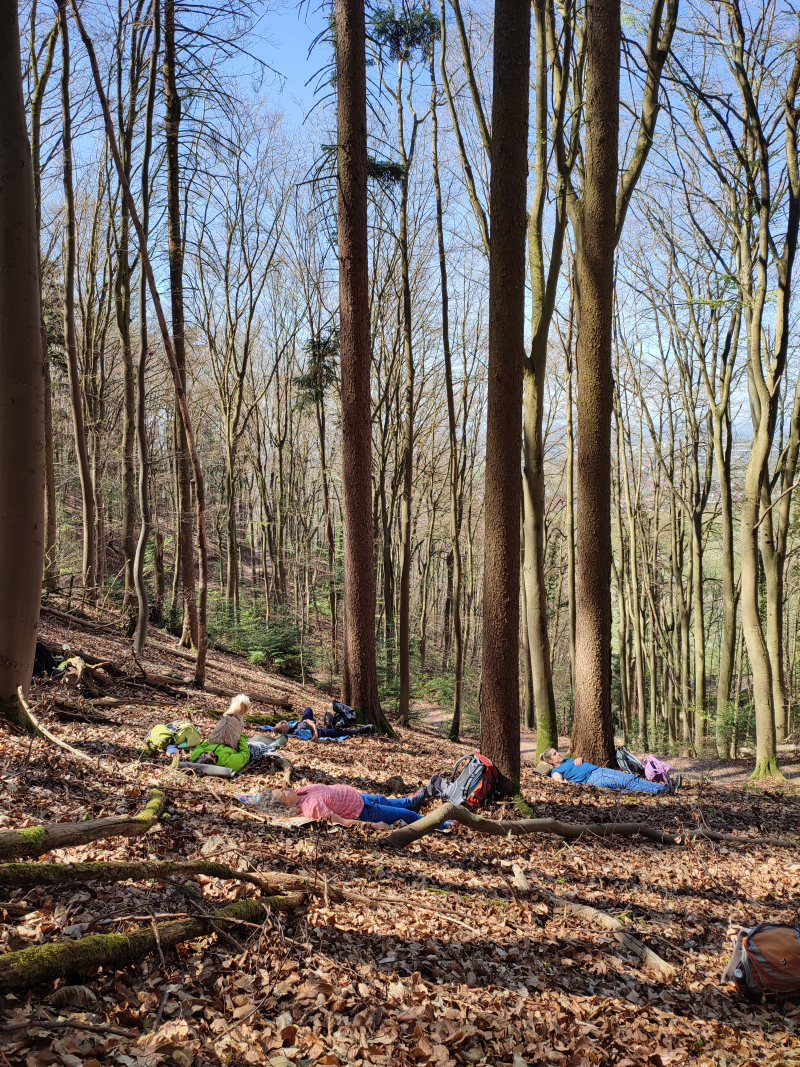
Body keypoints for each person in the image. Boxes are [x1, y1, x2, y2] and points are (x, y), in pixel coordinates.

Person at [240, 782, 456, 830]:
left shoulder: (302, 792)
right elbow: (342, 822)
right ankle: (443, 825)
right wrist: (372, 825)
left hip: (362, 798)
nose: (285, 788)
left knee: (393, 801)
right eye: (283, 793)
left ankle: (414, 800)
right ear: (284, 806)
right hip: (366, 813)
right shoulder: (312, 808)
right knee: (405, 816)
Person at [189, 694, 285, 772]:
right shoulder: (228, 763)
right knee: (258, 747)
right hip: (235, 747)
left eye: (205, 753)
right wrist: (241, 738)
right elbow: (245, 755)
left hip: (216, 741)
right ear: (214, 764)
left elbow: (203, 744)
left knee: (250, 742)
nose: (210, 752)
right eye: (213, 756)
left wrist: (214, 739)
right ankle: (272, 746)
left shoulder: (196, 756)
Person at [540, 748, 681, 795]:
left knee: (631, 778)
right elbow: (557, 780)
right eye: (554, 754)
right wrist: (563, 782)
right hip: (593, 778)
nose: (558, 754)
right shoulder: (555, 771)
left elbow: (576, 763)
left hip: (599, 770)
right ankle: (661, 790)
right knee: (628, 782)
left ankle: (664, 788)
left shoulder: (567, 760)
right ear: (551, 761)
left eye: (557, 751)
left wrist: (580, 758)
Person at [260, 706, 374, 741]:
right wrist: (313, 725)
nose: (282, 721)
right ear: (285, 731)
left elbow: (269, 728)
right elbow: (314, 736)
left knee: (308, 710)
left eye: (280, 722)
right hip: (320, 731)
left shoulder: (290, 726)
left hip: (304, 722)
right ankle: (358, 731)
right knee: (338, 731)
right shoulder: (299, 732)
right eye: (282, 724)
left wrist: (305, 721)